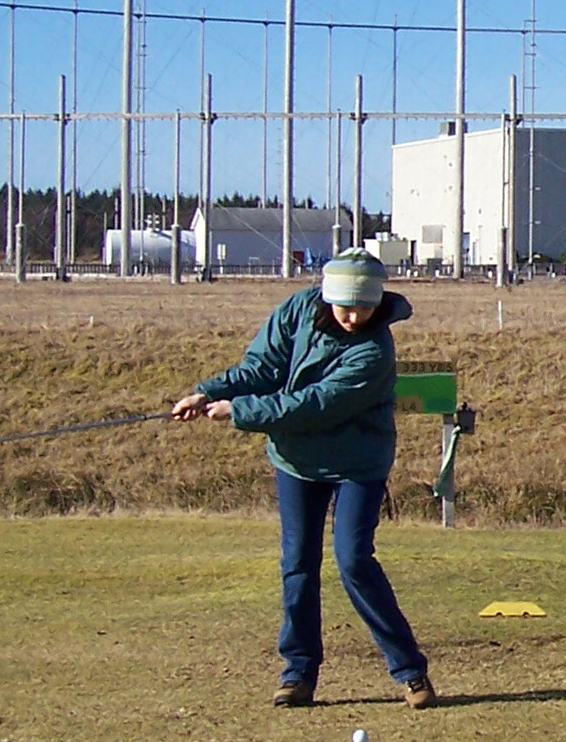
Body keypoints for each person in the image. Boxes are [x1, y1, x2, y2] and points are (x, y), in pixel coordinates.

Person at [173, 247, 437, 709]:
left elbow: (313, 404)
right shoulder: (297, 309)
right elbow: (262, 368)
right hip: (295, 461)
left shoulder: (373, 352)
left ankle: (410, 671)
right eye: (345, 307)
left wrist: (239, 411)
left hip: (357, 465)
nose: (355, 317)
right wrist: (207, 393)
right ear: (325, 295)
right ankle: (299, 673)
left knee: (354, 560)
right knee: (297, 564)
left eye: (365, 307)